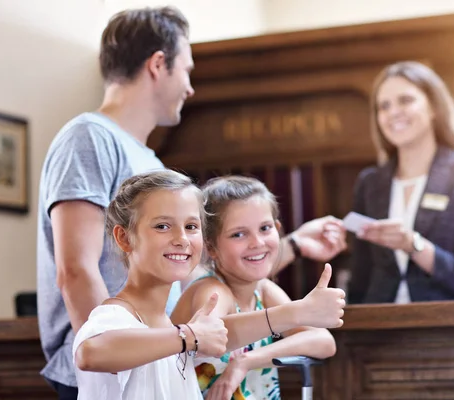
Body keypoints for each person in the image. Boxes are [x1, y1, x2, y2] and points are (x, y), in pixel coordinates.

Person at [36, 6, 347, 398]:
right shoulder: (90, 137)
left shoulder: (153, 164)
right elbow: (76, 271)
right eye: (187, 69)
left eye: (192, 226)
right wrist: (125, 359)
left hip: (162, 354)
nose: (190, 86)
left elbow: (208, 277)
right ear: (158, 64)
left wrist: (295, 251)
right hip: (123, 366)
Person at [72, 170, 345, 400]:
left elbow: (220, 334)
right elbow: (90, 352)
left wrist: (302, 311)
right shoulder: (116, 317)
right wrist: (189, 336)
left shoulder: (167, 330)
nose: (181, 238)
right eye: (162, 226)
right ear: (124, 238)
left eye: (191, 226)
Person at [172, 176, 338, 399]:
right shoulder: (213, 290)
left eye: (265, 228)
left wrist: (248, 361)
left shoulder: (264, 290)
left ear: (278, 229)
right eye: (238, 234)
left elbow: (324, 342)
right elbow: (209, 334)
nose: (257, 242)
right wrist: (296, 312)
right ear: (210, 246)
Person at [347, 61, 454, 304]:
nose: (394, 112)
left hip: (444, 329)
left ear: (433, 108)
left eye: (406, 100)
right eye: (384, 106)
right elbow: (360, 279)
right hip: (377, 330)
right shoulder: (370, 183)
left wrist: (413, 244)